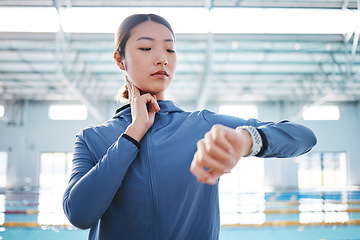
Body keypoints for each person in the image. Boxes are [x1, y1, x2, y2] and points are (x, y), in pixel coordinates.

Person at [63, 13, 317, 240]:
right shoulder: (91, 138)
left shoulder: (202, 124)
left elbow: (303, 136)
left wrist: (246, 140)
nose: (162, 59)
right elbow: (80, 214)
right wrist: (132, 135)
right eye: (145, 47)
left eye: (170, 50)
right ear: (120, 60)